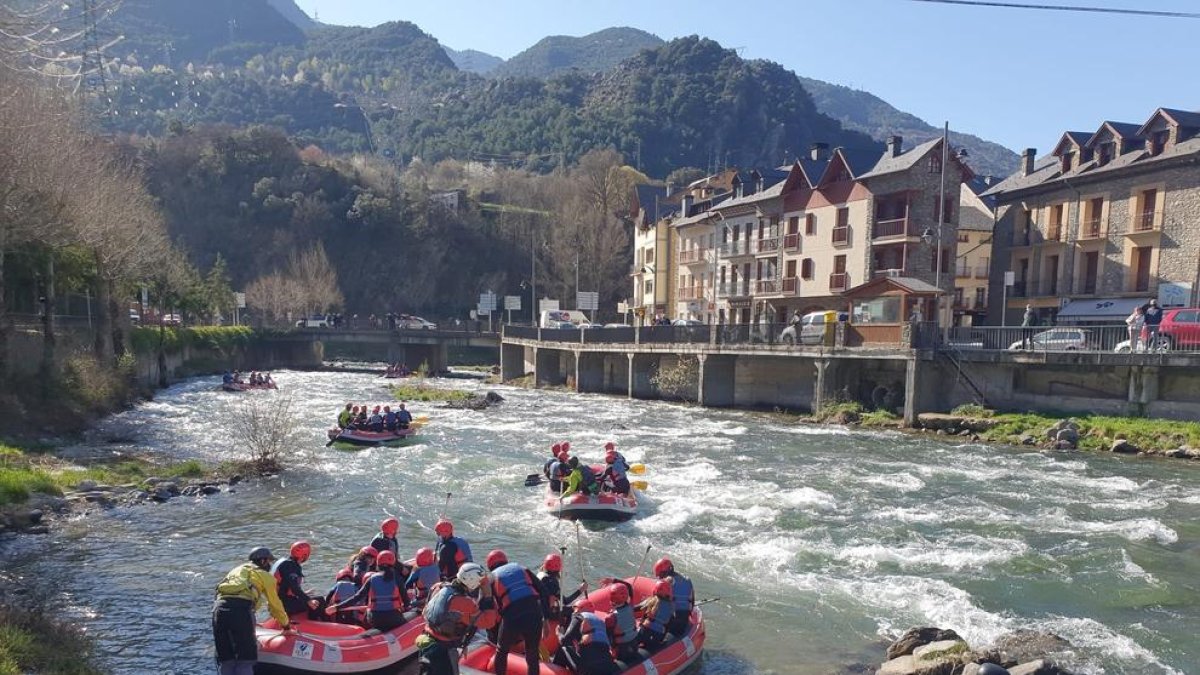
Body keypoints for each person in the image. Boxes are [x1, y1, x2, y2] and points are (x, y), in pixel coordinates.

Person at [213, 546, 291, 675]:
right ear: (263, 561)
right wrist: (286, 626)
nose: (270, 565)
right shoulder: (265, 575)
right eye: (269, 562)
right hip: (240, 611)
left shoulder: (236, 570)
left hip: (218, 610)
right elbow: (275, 605)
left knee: (227, 660)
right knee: (245, 660)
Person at [417, 562, 498, 675]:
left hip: (425, 641)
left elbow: (426, 612)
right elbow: (488, 622)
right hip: (443, 649)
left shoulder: (438, 587)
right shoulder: (464, 603)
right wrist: (488, 596)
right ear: (472, 583)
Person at [485, 549, 549, 675]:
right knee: (532, 655)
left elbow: (487, 606)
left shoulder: (491, 577)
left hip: (512, 617)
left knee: (501, 651)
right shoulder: (522, 568)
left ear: (490, 566)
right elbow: (544, 592)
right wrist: (546, 620)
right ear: (506, 560)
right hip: (534, 614)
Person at [326, 550, 408, 631]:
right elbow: (406, 601)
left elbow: (356, 597)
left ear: (378, 563)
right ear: (393, 563)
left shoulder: (371, 579)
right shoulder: (397, 579)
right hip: (394, 619)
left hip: (375, 620)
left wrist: (336, 607)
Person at [557, 598, 619, 675]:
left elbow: (564, 641)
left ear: (579, 609)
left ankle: (554, 670)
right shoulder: (601, 623)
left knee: (564, 648)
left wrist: (559, 633)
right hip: (607, 665)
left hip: (589, 669)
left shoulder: (579, 617)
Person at [271, 541, 323, 620]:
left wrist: (304, 594)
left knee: (313, 596)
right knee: (320, 600)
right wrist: (308, 600)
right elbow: (294, 587)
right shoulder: (292, 566)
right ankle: (317, 624)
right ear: (305, 555)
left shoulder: (284, 562)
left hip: (278, 601)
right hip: (285, 605)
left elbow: (284, 585)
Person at [653, 557, 694, 636]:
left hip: (674, 626)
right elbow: (692, 601)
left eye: (660, 575)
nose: (660, 578)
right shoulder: (687, 579)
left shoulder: (666, 584)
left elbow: (657, 604)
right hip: (684, 623)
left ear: (665, 572)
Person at [604, 582, 639, 664]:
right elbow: (629, 587)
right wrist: (614, 580)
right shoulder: (630, 605)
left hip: (621, 648)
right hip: (634, 643)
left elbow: (608, 637)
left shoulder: (611, 617)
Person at [635, 579, 674, 650]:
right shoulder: (671, 606)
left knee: (637, 638)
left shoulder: (652, 600)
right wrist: (662, 639)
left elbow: (638, 608)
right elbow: (669, 624)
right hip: (658, 635)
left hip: (645, 631)